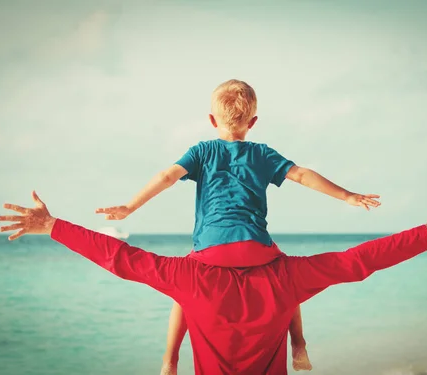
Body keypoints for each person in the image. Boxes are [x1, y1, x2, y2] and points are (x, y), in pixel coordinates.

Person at [0, 192, 427, 375]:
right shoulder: (288, 275)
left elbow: (120, 258)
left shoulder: (188, 275)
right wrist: (425, 234)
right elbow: (358, 261)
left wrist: (54, 226)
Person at [93, 79, 382, 374]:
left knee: (184, 287)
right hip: (256, 246)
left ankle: (170, 360)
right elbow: (303, 175)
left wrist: (130, 207)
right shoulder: (262, 153)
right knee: (288, 281)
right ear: (252, 122)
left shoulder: (202, 152)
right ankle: (298, 345)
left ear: (211, 119)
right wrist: (347, 195)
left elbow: (167, 176)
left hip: (211, 248)